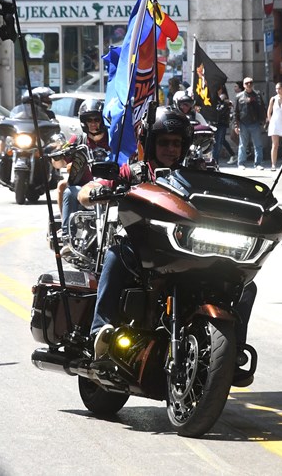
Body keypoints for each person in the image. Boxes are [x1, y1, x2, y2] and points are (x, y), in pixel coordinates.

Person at [80, 107, 257, 385]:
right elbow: (86, 191)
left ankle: (232, 353)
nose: (171, 149)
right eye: (164, 142)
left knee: (246, 286)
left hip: (189, 252)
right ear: (151, 143)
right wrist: (97, 191)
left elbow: (225, 196)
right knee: (115, 256)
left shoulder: (197, 174)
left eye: (176, 143)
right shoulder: (134, 171)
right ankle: (99, 331)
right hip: (144, 252)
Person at [57, 99, 111, 242]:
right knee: (69, 191)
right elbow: (59, 163)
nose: (93, 123)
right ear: (83, 122)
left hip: (109, 187)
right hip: (84, 189)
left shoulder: (113, 139)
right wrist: (58, 155)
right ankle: (67, 237)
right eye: (89, 120)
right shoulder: (78, 140)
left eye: (96, 119)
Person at [234, 77, 267, 170]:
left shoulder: (257, 95)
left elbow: (262, 108)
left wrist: (264, 120)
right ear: (243, 85)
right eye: (247, 83)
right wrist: (236, 125)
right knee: (242, 145)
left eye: (250, 83)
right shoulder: (239, 96)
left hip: (255, 122)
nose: (249, 85)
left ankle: (258, 163)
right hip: (243, 123)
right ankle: (241, 163)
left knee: (258, 144)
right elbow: (235, 111)